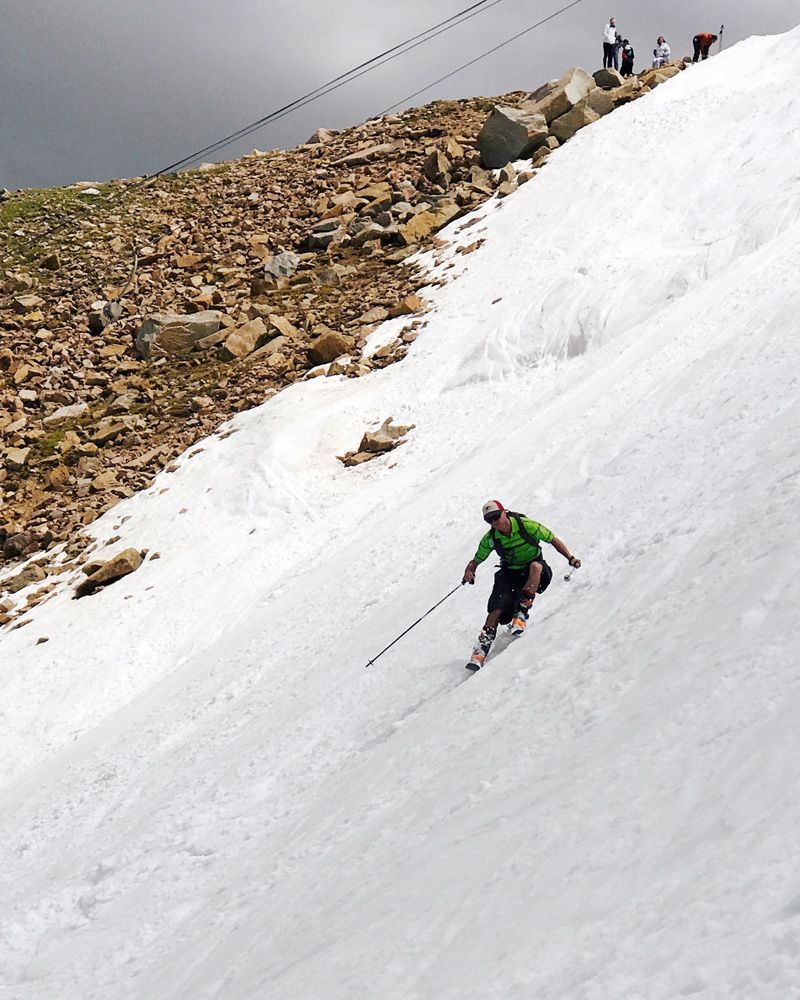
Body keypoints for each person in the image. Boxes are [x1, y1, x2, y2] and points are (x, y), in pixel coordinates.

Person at [462, 500, 581, 670]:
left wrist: (570, 558)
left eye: (496, 516)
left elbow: (552, 539)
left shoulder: (526, 526)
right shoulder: (491, 539)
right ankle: (481, 648)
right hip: (509, 573)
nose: (494, 522)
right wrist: (469, 571)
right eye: (489, 520)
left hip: (535, 573)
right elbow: (476, 560)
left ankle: (522, 611)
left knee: (535, 566)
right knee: (496, 609)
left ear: (505, 512)